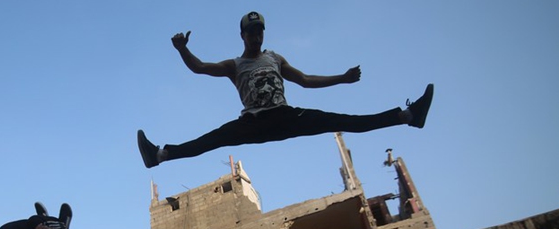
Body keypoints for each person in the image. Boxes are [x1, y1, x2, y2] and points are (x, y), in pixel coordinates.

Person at [137, 11, 434, 169]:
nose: (256, 35)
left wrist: (341, 78)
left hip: (286, 117)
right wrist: (182, 50)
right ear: (242, 35)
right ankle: (159, 156)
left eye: (259, 31)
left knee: (345, 120)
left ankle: (408, 115)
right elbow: (200, 67)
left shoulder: (275, 58)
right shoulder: (234, 65)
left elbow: (305, 79)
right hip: (253, 122)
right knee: (210, 140)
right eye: (251, 31)